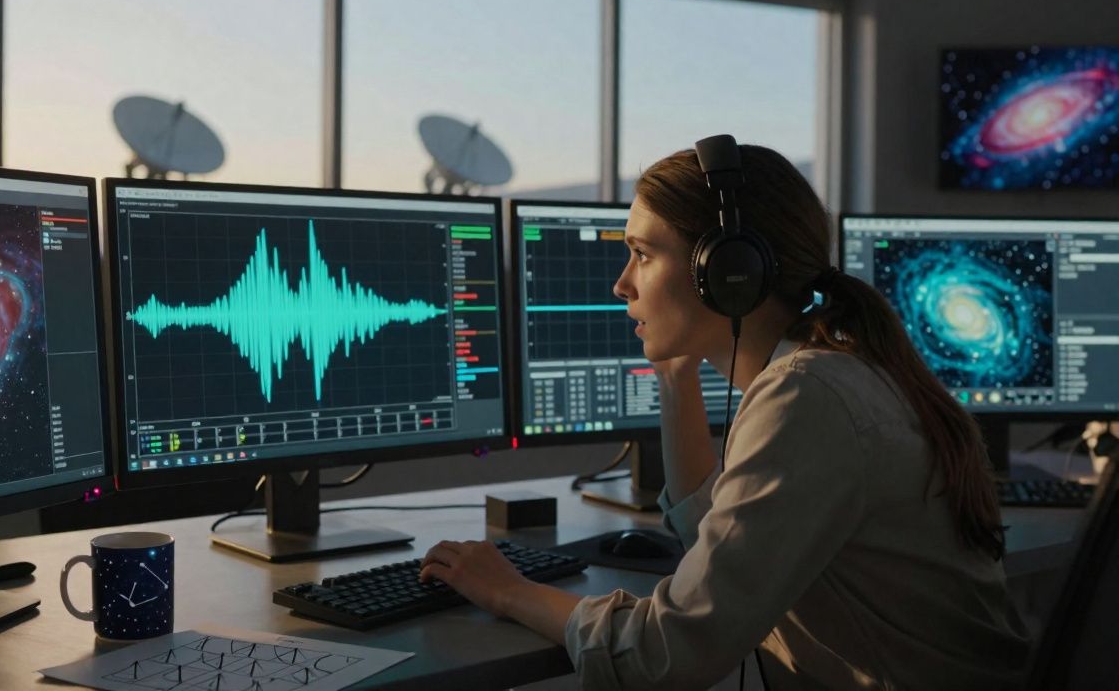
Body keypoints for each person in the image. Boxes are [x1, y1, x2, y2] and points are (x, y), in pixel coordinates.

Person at [419, 142, 1030, 690]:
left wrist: (509, 591)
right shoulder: (836, 366)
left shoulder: (805, 394)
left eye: (641, 254)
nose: (621, 284)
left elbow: (664, 654)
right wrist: (676, 371)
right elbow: (715, 543)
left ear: (728, 274)